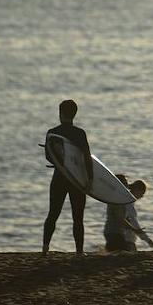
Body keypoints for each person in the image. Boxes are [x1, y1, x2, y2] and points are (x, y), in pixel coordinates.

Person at [43, 99, 94, 256]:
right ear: (74, 114)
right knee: (78, 217)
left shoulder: (53, 132)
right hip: (77, 180)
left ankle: (45, 248)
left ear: (60, 113)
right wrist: (90, 179)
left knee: (53, 214)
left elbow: (49, 156)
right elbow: (87, 158)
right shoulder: (79, 133)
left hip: (59, 178)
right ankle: (79, 251)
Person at [104, 175, 153, 252]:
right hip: (119, 234)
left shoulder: (121, 199)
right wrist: (145, 238)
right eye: (142, 193)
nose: (142, 196)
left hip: (116, 233)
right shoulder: (124, 201)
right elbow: (126, 220)